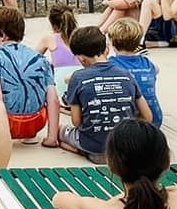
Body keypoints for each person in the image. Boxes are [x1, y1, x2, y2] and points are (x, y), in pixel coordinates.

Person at [0, 5, 58, 144]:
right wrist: (52, 138)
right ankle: (31, 137)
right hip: (36, 123)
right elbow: (53, 99)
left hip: (7, 125)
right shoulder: (40, 59)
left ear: (3, 34)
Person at [64, 25, 151, 158]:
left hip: (94, 147)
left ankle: (80, 150)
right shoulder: (126, 75)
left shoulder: (77, 77)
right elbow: (148, 117)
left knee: (61, 130)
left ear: (80, 58)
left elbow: (76, 121)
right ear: (106, 49)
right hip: (125, 147)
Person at [105, 18, 164, 128]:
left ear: (113, 42)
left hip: (130, 124)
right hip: (155, 120)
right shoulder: (146, 62)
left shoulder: (111, 64)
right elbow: (156, 70)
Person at [38, 2, 81, 95]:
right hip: (81, 82)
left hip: (61, 87)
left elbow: (32, 58)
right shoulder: (81, 37)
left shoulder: (49, 39)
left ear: (54, 26)